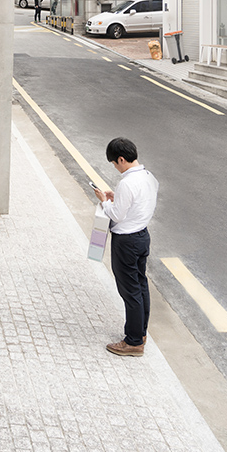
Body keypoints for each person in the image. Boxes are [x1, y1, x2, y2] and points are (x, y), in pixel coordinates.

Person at [94, 136, 158, 358]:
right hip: (142, 236)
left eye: (114, 163)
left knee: (129, 290)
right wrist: (116, 197)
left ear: (121, 159)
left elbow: (117, 215)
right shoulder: (149, 178)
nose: (115, 167)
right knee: (140, 286)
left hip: (126, 242)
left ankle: (132, 342)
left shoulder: (127, 183)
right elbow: (138, 205)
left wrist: (104, 200)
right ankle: (140, 334)